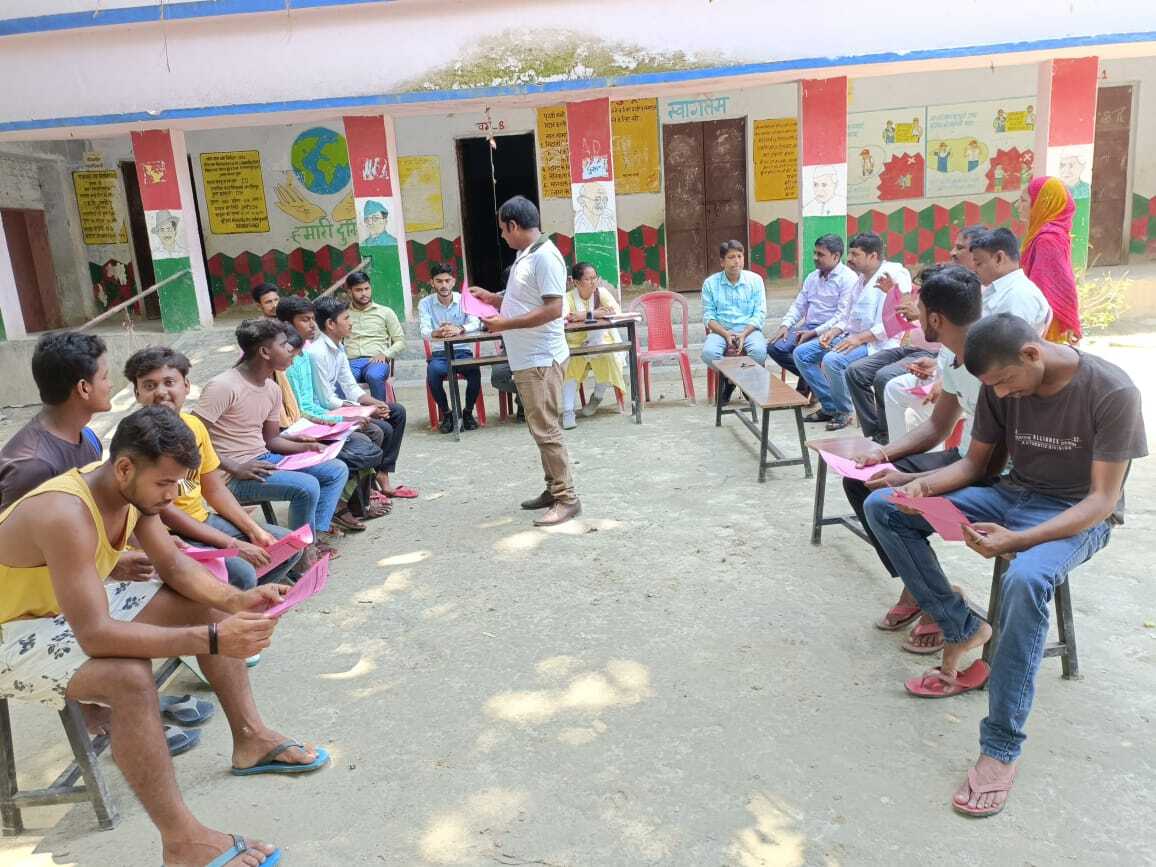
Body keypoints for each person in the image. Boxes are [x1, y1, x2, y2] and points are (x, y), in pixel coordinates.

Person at [0, 406, 328, 866]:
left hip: (54, 610)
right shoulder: (64, 513)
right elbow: (96, 636)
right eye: (165, 483)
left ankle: (251, 739)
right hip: (11, 632)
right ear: (125, 468)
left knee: (210, 602)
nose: (172, 496)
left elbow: (173, 565)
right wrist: (213, 638)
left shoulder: (133, 492)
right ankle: (182, 842)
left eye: (178, 484)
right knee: (128, 678)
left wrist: (237, 601)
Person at [864, 313, 1145, 817]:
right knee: (884, 507)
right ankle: (962, 625)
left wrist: (1020, 540)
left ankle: (1000, 746)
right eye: (993, 387)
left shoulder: (1111, 391)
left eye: (1006, 382)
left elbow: (1102, 501)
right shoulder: (1001, 384)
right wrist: (918, 485)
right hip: (1011, 494)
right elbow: (976, 465)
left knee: (1026, 578)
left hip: (1076, 513)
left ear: (1032, 353)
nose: (1001, 394)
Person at [839, 266, 989, 639]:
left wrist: (911, 479)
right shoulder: (953, 355)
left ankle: (945, 611)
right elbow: (937, 427)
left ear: (935, 319)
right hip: (963, 459)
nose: (914, 316)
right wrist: (884, 454)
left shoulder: (991, 364)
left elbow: (983, 465)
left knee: (887, 506)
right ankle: (918, 586)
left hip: (986, 473)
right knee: (860, 481)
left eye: (919, 310)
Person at [124, 346, 302, 590]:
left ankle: (238, 601)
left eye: (169, 382)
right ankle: (232, 601)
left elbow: (213, 488)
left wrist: (253, 530)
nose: (161, 392)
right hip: (166, 532)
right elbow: (165, 512)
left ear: (186, 386)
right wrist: (233, 544)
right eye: (149, 385)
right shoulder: (137, 439)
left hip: (203, 519)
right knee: (242, 573)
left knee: (286, 546)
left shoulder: (194, 426)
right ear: (137, 393)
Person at [466, 195, 580, 526]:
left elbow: (553, 309)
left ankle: (567, 498)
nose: (502, 236)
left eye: (503, 230)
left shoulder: (546, 257)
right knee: (539, 427)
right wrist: (494, 298)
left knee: (547, 430)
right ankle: (553, 488)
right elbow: (525, 297)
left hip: (540, 359)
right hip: (528, 358)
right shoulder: (526, 254)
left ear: (514, 225)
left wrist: (505, 324)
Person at [195, 318, 350, 557]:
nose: (291, 350)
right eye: (284, 345)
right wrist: (235, 467)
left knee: (336, 469)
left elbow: (271, 441)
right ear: (265, 352)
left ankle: (312, 538)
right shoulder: (222, 387)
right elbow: (192, 438)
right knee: (306, 486)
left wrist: (307, 447)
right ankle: (300, 554)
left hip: (264, 460)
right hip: (230, 476)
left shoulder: (272, 389)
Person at [277, 297, 392, 520]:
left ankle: (360, 498)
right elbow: (305, 408)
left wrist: (357, 411)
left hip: (316, 418)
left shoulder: (302, 355)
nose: (313, 325)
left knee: (378, 426)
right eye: (305, 320)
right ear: (287, 325)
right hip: (301, 427)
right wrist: (342, 420)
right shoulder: (297, 359)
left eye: (312, 319)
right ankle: (347, 503)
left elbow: (318, 400)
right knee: (368, 437)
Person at [794, 233, 909, 431]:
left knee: (832, 361)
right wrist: (832, 332)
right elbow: (847, 317)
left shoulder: (895, 274)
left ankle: (844, 411)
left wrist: (858, 339)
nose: (849, 259)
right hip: (852, 336)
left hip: (878, 343)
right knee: (802, 354)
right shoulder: (860, 279)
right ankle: (830, 406)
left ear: (873, 256)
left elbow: (896, 323)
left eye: (855, 254)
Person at [307, 296, 417, 502]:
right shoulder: (317, 353)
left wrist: (374, 403)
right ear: (331, 324)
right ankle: (368, 485)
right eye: (346, 318)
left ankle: (382, 474)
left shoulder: (339, 348)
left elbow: (350, 387)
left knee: (397, 411)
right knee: (382, 429)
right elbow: (326, 400)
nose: (351, 323)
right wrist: (364, 410)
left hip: (340, 406)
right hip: (326, 413)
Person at [843, 266, 937, 444]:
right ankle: (876, 432)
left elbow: (938, 330)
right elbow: (900, 318)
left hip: (932, 354)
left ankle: (888, 437)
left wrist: (919, 315)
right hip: (911, 349)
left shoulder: (949, 302)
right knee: (855, 372)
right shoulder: (919, 295)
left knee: (884, 377)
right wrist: (892, 292)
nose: (921, 290)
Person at [766, 234, 857, 396]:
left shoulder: (848, 279)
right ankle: (814, 380)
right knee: (774, 347)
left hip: (833, 332)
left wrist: (815, 332)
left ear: (836, 256)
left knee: (802, 351)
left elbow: (842, 317)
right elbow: (799, 305)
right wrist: (785, 325)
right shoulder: (812, 277)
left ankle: (811, 386)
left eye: (820, 254)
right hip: (808, 327)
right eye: (815, 253)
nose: (815, 258)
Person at [418, 263, 482, 433]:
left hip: (462, 351)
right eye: (439, 281)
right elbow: (424, 330)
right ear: (432, 283)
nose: (444, 285)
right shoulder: (425, 303)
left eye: (447, 280)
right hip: (440, 353)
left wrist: (459, 329)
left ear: (453, 281)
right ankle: (447, 414)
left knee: (474, 371)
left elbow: (476, 323)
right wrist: (437, 332)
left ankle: (467, 412)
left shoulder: (464, 299)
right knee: (433, 372)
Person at [562, 261, 625, 429]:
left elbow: (615, 312)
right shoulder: (568, 298)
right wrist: (595, 314)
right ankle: (568, 411)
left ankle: (597, 397)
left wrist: (585, 315)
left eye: (595, 278)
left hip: (601, 340)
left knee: (608, 358)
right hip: (576, 343)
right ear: (576, 282)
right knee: (570, 366)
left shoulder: (601, 293)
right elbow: (566, 317)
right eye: (588, 279)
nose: (593, 282)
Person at [1018, 176, 1082, 344]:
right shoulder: (1048, 234)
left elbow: (1043, 287)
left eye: (1023, 200)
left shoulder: (1047, 239)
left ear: (1041, 203)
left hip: (1047, 323)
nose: (1018, 206)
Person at [344, 270, 406, 402]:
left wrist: (386, 354)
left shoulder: (385, 312)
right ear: (349, 292)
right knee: (342, 380)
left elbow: (400, 341)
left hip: (376, 361)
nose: (364, 293)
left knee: (374, 376)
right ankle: (352, 414)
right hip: (350, 362)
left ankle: (381, 411)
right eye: (358, 290)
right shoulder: (343, 314)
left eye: (366, 289)